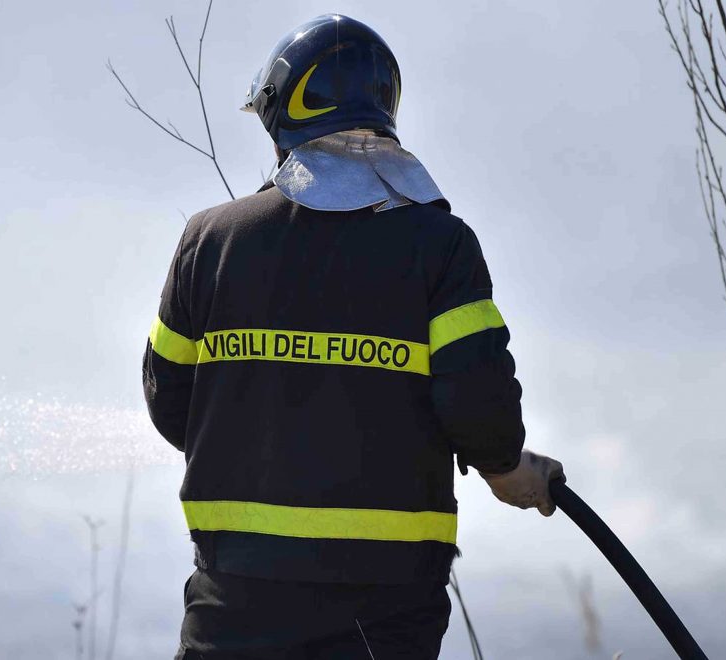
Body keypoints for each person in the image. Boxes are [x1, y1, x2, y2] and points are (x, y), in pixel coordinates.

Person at [142, 14, 564, 660]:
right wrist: (509, 470)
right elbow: (479, 406)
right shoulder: (441, 247)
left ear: (282, 118)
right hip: (386, 610)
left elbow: (170, 402)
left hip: (231, 604)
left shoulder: (210, 241)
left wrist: (262, 438)